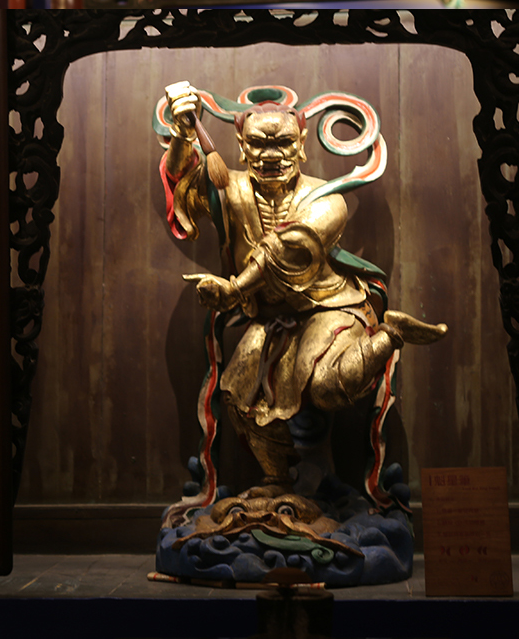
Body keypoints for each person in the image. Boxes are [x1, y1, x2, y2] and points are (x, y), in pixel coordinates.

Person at [163, 81, 445, 492]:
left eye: (283, 144)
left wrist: (235, 289)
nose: (271, 155)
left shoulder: (326, 199)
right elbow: (183, 186)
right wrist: (182, 133)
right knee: (238, 397)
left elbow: (289, 248)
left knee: (327, 387)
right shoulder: (230, 188)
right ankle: (278, 480)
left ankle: (391, 333)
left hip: (328, 306)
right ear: (241, 146)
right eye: (259, 144)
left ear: (302, 145)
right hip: (270, 318)